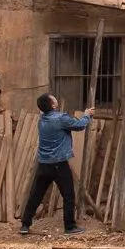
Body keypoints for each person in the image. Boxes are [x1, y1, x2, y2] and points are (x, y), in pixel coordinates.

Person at [20, 94, 94, 235]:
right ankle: (70, 227)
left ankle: (25, 224)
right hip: (59, 164)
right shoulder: (60, 118)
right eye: (54, 99)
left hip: (44, 164)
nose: (56, 100)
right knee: (68, 195)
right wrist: (87, 115)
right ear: (53, 105)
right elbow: (79, 126)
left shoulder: (42, 120)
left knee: (36, 195)